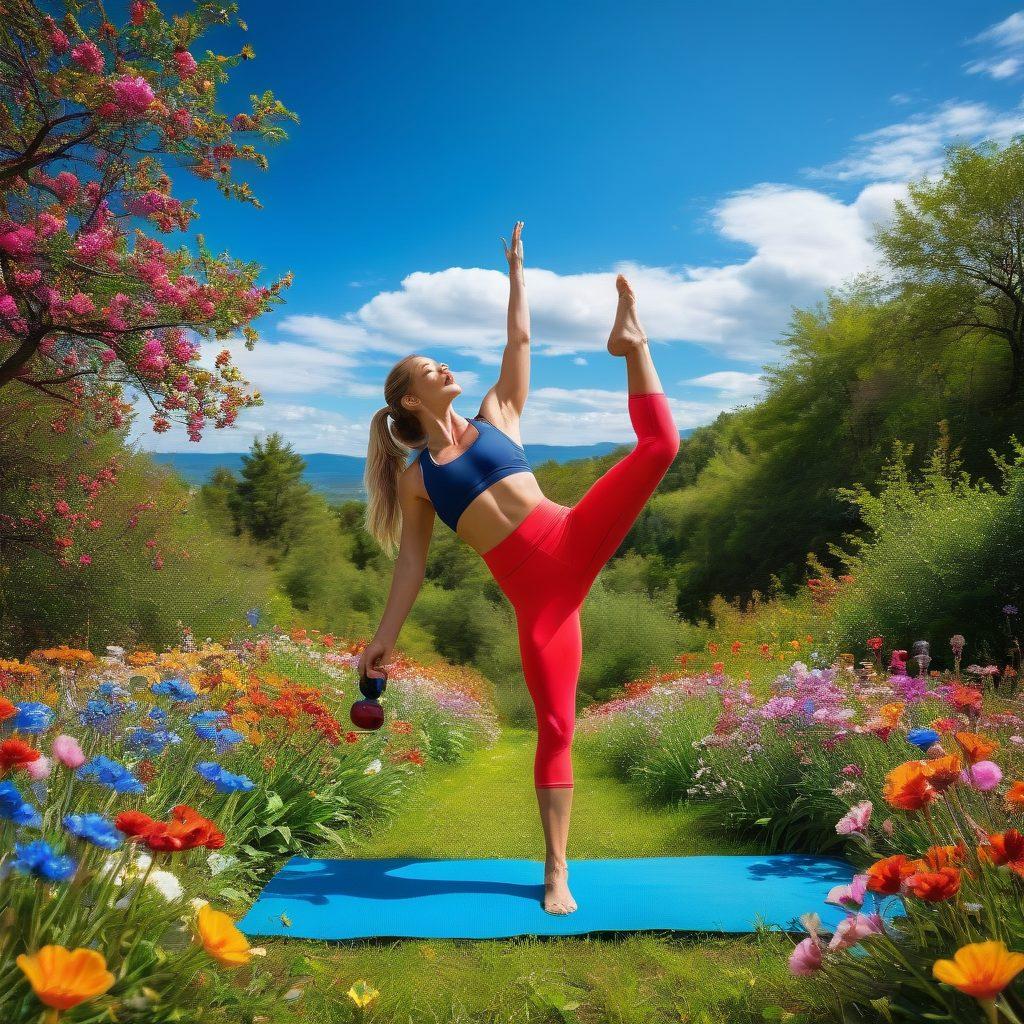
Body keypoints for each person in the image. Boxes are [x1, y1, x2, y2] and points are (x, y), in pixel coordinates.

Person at [359, 222, 680, 914]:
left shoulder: (498, 413)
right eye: (429, 370)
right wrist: (384, 637)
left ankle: (633, 344)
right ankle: (556, 871)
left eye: (441, 363)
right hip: (542, 602)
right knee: (557, 726)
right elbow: (410, 567)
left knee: (661, 446)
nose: (445, 369)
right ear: (411, 400)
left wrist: (517, 272)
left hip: (572, 534)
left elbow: (520, 342)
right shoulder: (417, 481)